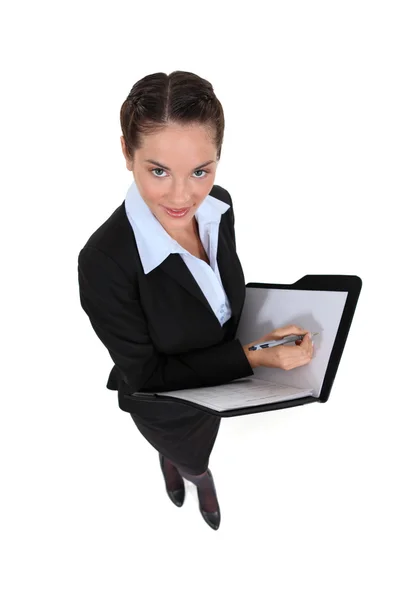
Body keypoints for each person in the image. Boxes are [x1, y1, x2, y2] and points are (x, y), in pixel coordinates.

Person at [77, 70, 314, 531]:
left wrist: (268, 328)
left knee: (202, 440)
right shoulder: (103, 262)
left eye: (200, 171)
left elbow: (217, 295)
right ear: (127, 153)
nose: (183, 196)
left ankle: (188, 468)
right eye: (159, 170)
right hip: (168, 408)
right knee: (188, 453)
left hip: (224, 384)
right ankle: (194, 476)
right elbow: (148, 377)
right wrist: (255, 356)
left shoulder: (218, 206)